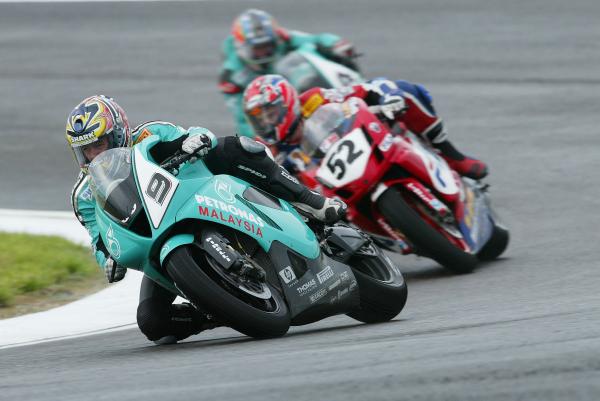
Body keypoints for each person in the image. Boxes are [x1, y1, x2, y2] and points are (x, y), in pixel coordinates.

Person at [66, 95, 347, 345]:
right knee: (152, 322)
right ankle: (218, 311)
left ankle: (312, 201)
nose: (95, 154)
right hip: (158, 239)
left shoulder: (150, 135)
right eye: (86, 150)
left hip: (203, 195)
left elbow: (196, 134)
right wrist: (108, 261)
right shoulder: (84, 195)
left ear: (118, 134)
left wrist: (195, 141)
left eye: (99, 144)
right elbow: (99, 237)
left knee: (237, 148)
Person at [242, 75, 488, 179]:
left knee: (406, 90)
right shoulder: (267, 150)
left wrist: (388, 98)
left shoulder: (314, 99)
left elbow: (365, 89)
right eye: (259, 118)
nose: (266, 122)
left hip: (365, 147)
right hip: (332, 193)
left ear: (287, 103)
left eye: (270, 113)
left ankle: (451, 155)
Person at [219, 8, 358, 138]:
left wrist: (335, 44)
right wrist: (264, 138)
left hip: (293, 91)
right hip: (271, 115)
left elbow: (314, 40)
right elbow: (242, 120)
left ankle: (345, 92)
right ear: (241, 47)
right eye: (257, 49)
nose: (263, 54)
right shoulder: (230, 76)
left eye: (267, 46)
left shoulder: (282, 37)